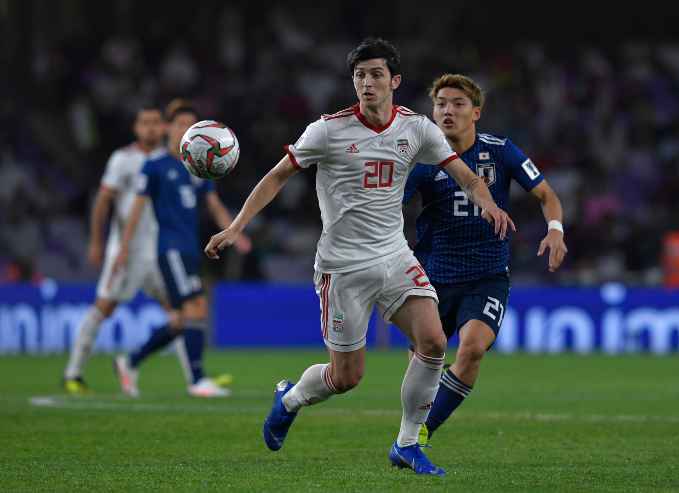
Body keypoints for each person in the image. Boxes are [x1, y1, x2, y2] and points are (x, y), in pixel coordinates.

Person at [204, 38, 514, 476]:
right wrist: (236, 227)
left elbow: (465, 175)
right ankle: (290, 398)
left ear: (395, 81)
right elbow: (277, 177)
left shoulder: (416, 128)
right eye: (360, 75)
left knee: (433, 342)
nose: (367, 83)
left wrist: (488, 202)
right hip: (342, 266)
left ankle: (407, 443)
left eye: (375, 75)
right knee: (346, 377)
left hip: (394, 255)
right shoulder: (327, 131)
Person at [403, 74, 567, 445]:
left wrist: (555, 228)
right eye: (441, 103)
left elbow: (546, 194)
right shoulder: (422, 159)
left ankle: (423, 433)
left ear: (476, 112)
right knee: (422, 361)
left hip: (487, 275)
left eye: (458, 103)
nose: (448, 110)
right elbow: (393, 206)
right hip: (433, 278)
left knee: (473, 347)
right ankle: (412, 429)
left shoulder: (501, 150)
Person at [113, 99, 251, 398]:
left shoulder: (199, 168)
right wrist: (123, 249)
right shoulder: (156, 166)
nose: (183, 130)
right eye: (178, 124)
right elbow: (136, 209)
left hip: (190, 248)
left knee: (179, 320)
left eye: (189, 125)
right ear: (167, 129)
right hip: (170, 248)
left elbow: (213, 205)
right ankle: (197, 380)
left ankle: (130, 361)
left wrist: (235, 231)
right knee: (196, 307)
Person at [62, 106, 178, 394]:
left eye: (155, 122)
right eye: (144, 123)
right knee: (105, 306)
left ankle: (197, 380)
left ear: (163, 127)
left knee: (184, 312)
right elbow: (102, 202)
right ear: (136, 128)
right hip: (126, 251)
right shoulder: (123, 160)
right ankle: (73, 373)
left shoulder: (171, 161)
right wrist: (97, 241)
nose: (150, 128)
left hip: (159, 250)